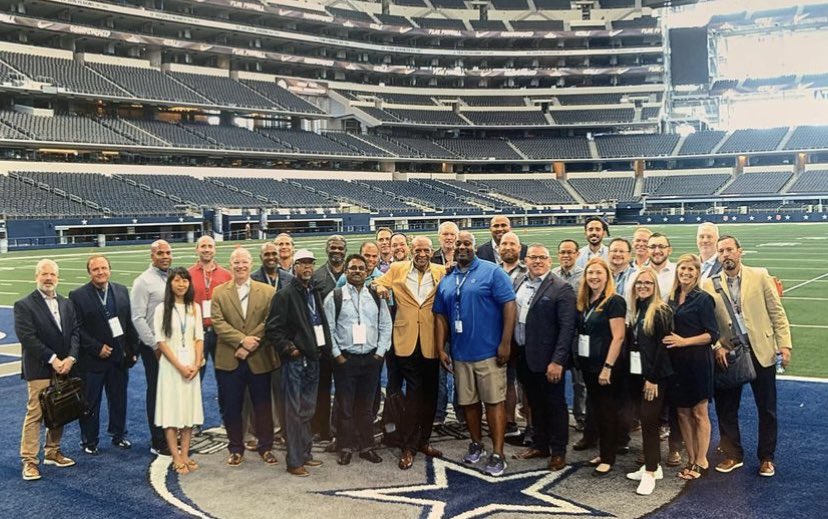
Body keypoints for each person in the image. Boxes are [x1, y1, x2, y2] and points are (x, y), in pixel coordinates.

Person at [704, 236, 792, 478]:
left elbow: (777, 312)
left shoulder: (760, 275)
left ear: (739, 252)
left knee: (767, 408)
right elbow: (707, 323)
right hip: (728, 353)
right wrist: (715, 347)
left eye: (729, 249)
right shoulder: (709, 284)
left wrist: (785, 345)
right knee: (726, 408)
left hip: (761, 350)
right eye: (721, 251)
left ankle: (766, 458)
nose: (725, 255)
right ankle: (733, 454)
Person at [434, 231, 517, 477]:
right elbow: (440, 315)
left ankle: (498, 452)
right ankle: (476, 443)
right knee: (469, 403)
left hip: (489, 352)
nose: (462, 247)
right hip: (461, 353)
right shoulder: (447, 279)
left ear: (474, 246)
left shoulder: (492, 271)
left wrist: (505, 342)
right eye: (458, 243)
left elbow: (509, 305)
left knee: (493, 403)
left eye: (467, 243)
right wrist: (441, 348)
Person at [373, 236, 446, 470]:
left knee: (431, 394)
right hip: (405, 340)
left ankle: (423, 440)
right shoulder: (397, 268)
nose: (422, 254)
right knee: (414, 394)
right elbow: (375, 283)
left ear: (431, 251)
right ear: (411, 250)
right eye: (418, 250)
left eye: (426, 250)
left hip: (431, 341)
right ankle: (409, 445)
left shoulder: (441, 271)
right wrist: (382, 287)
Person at [212, 247, 280, 467]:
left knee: (262, 406)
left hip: (259, 358)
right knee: (232, 406)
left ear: (251, 264)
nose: (240, 266)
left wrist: (250, 345)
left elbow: (269, 321)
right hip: (229, 359)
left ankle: (266, 446)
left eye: (244, 262)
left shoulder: (267, 291)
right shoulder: (219, 292)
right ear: (230, 265)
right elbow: (218, 323)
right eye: (236, 262)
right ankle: (235, 448)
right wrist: (242, 341)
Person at [511, 244, 576, 472]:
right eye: (533, 257)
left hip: (549, 360)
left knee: (555, 405)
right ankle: (540, 444)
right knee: (534, 403)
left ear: (550, 261)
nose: (537, 261)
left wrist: (558, 361)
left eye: (542, 257)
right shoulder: (518, 280)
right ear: (525, 260)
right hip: (524, 355)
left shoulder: (561, 288)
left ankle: (558, 451)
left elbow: (567, 328)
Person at [267, 249, 332, 477]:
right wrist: (289, 349)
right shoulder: (284, 295)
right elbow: (273, 330)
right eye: (302, 264)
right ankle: (294, 460)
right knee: (294, 412)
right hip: (295, 362)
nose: (307, 268)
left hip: (313, 358)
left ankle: (305, 454)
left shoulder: (312, 292)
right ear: (294, 267)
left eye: (310, 264)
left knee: (307, 410)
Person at [324, 254, 392, 466]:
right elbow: (329, 329)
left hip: (371, 359)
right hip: (346, 359)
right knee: (345, 406)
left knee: (366, 407)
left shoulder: (375, 296)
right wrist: (338, 355)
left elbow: (385, 325)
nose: (357, 271)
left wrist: (380, 352)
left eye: (361, 268)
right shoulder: (334, 297)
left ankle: (366, 446)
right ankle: (345, 446)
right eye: (352, 268)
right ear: (346, 271)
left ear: (366, 272)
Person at [16, 259, 80, 481]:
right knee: (36, 413)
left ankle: (52, 451)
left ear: (58, 278)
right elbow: (28, 338)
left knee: (59, 411)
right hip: (40, 368)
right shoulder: (24, 305)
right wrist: (53, 359)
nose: (48, 278)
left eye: (52, 274)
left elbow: (75, 332)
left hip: (64, 367)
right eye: (44, 274)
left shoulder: (66, 303)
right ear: (36, 276)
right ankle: (30, 461)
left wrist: (71, 357)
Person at [70, 255, 138, 455]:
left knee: (119, 399)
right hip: (92, 360)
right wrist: (96, 347)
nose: (100, 272)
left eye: (103, 268)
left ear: (110, 269)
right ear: (89, 272)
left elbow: (128, 323)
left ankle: (119, 435)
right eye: (95, 269)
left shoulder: (121, 290)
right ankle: (89, 441)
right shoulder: (78, 295)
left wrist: (133, 350)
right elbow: (76, 328)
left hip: (118, 358)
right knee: (91, 402)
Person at [664, 253, 719, 480]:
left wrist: (683, 342)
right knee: (682, 413)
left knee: (699, 412)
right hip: (677, 363)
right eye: (682, 269)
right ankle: (691, 456)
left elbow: (712, 334)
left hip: (697, 361)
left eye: (691, 269)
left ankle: (701, 459)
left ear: (698, 272)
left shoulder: (704, 299)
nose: (686, 273)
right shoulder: (671, 298)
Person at [624, 268, 674, 495]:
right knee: (646, 422)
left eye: (647, 283)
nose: (642, 286)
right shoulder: (637, 309)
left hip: (654, 377)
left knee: (650, 421)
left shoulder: (661, 310)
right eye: (639, 283)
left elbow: (664, 348)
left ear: (655, 286)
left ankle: (651, 472)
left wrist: (652, 379)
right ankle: (653, 465)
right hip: (638, 375)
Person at [575, 257, 626, 476]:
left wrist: (608, 366)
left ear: (607, 276)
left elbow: (619, 337)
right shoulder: (586, 302)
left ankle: (608, 457)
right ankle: (604, 452)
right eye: (590, 273)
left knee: (607, 411)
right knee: (596, 409)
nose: (594, 277)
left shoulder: (614, 301)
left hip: (606, 367)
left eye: (599, 273)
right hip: (589, 366)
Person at [153, 267, 204, 475]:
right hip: (172, 367)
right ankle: (175, 456)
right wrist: (180, 366)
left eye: (185, 281)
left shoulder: (195, 307)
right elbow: (161, 342)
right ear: (170, 284)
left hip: (191, 366)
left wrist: (196, 362)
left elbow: (199, 337)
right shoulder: (161, 309)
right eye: (177, 281)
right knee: (172, 412)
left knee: (188, 411)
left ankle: (185, 454)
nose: (181, 284)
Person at [131, 240, 173, 455]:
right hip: (154, 347)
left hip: (174, 345)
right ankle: (158, 440)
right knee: (157, 392)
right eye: (160, 253)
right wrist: (154, 345)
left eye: (167, 252)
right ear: (152, 256)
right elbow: (137, 318)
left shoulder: (175, 278)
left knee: (173, 391)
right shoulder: (143, 282)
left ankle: (172, 435)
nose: (165, 256)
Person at [310, 235, 347, 442]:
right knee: (321, 388)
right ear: (327, 250)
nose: (336, 251)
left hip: (345, 340)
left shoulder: (352, 273)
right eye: (333, 247)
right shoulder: (317, 276)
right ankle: (320, 428)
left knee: (344, 388)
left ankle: (340, 427)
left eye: (340, 248)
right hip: (323, 341)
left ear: (345, 250)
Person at [188, 236, 231, 387]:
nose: (206, 249)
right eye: (203, 246)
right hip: (198, 333)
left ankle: (225, 409)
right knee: (195, 374)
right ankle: (193, 410)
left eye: (210, 246)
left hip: (221, 332)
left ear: (215, 249)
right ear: (197, 249)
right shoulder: (188, 275)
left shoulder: (227, 275)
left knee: (226, 376)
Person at [553, 239, 586, 434]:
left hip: (577, 333)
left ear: (577, 254)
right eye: (563, 252)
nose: (566, 256)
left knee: (579, 379)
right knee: (555, 375)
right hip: (557, 334)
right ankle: (557, 415)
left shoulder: (584, 277)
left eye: (570, 252)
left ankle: (582, 416)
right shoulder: (553, 275)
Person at [497, 231, 526, 438]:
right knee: (504, 380)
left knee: (525, 382)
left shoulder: (528, 271)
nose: (508, 247)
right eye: (504, 244)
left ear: (519, 248)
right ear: (498, 249)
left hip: (522, 335)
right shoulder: (491, 271)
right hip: (495, 334)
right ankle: (508, 421)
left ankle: (532, 425)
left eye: (512, 244)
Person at [647, 233, 675, 300]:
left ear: (669, 250)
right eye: (652, 247)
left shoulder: (678, 273)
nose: (657, 251)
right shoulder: (638, 274)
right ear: (647, 250)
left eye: (661, 246)